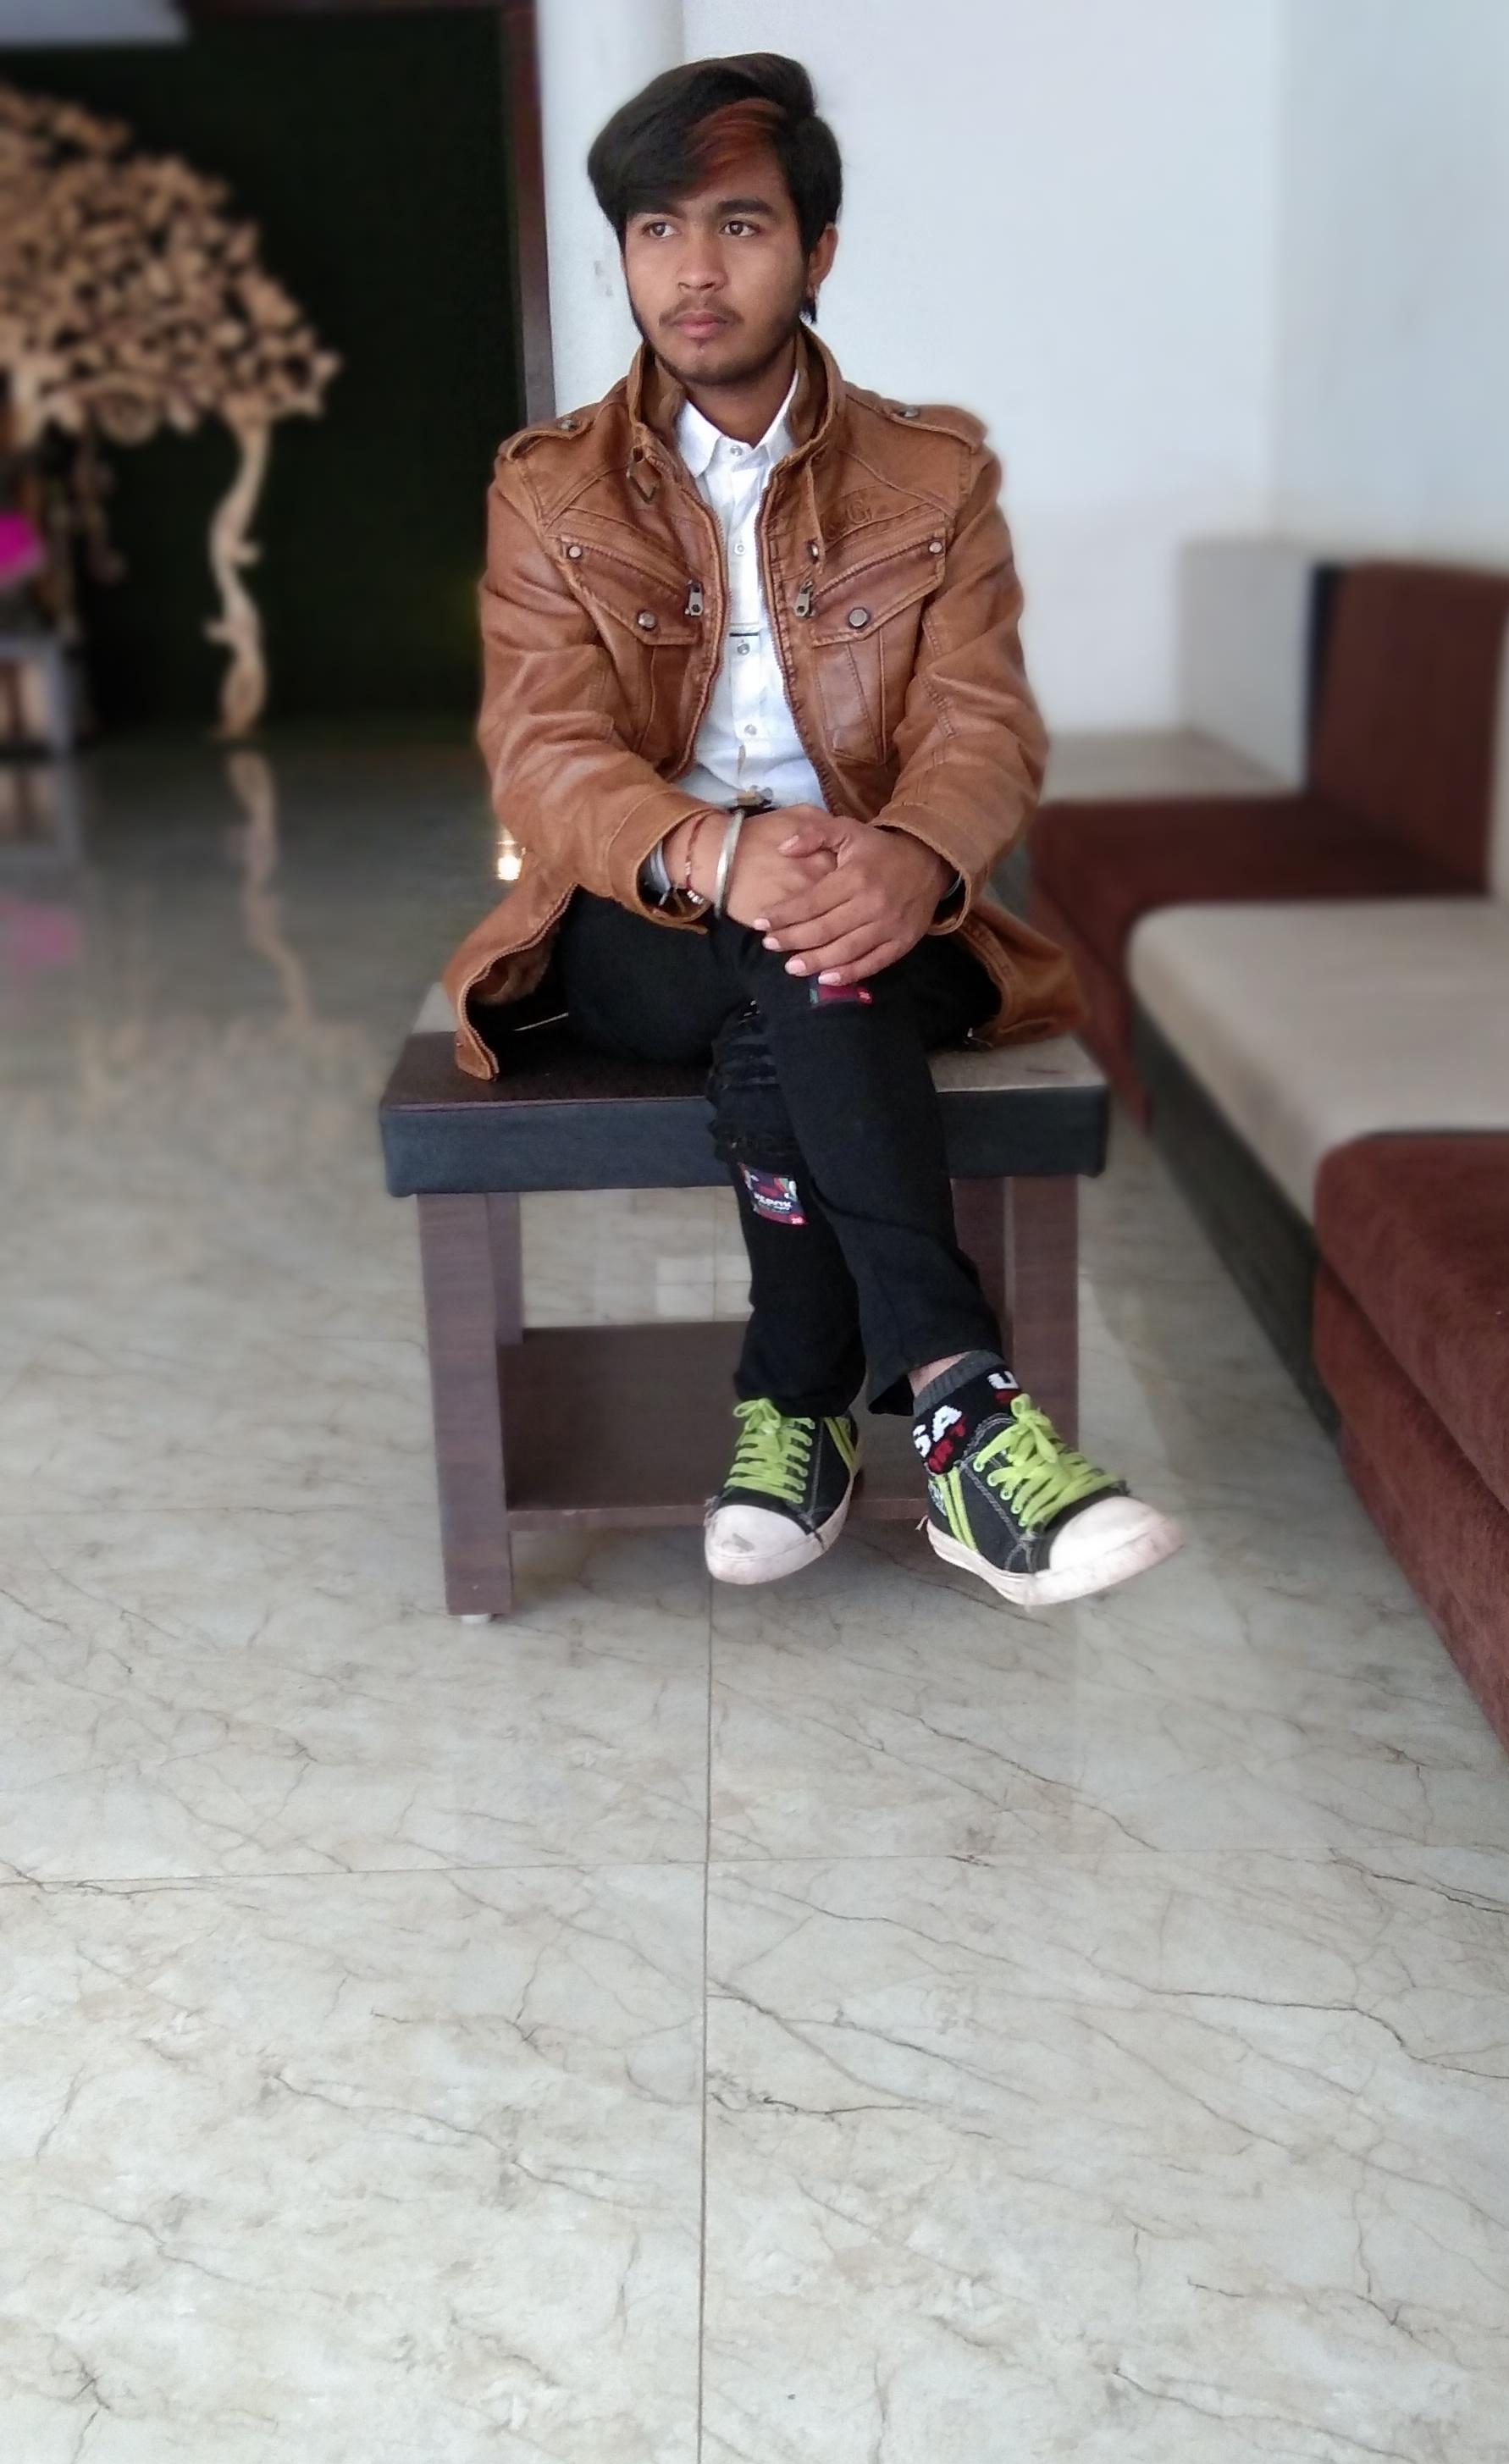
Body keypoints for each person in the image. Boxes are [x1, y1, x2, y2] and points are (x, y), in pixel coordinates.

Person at [441, 51, 1183, 1608]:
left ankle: (795, 1401)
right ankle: (966, 1413)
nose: (693, 270)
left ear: (817, 249)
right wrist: (718, 853)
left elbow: (981, 727)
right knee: (789, 937)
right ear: (623, 256)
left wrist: (911, 856)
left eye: (739, 223)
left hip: (890, 912)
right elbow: (544, 752)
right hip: (641, 921)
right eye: (656, 229)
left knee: (806, 968)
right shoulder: (548, 490)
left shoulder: (935, 473)